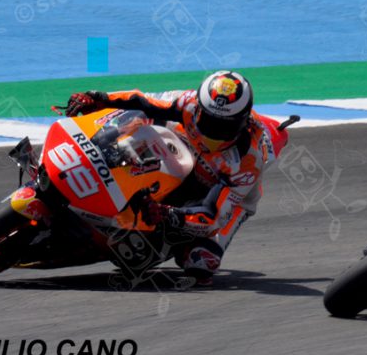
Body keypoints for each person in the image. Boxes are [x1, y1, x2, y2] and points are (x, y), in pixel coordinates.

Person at [65, 70, 288, 286]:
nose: (213, 131)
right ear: (201, 109)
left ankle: (173, 242)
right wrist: (98, 98)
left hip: (222, 196)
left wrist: (169, 214)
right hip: (181, 152)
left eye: (223, 126)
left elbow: (214, 215)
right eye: (209, 121)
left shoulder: (248, 160)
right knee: (132, 127)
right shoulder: (188, 103)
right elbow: (141, 101)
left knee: (200, 263)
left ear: (242, 121)